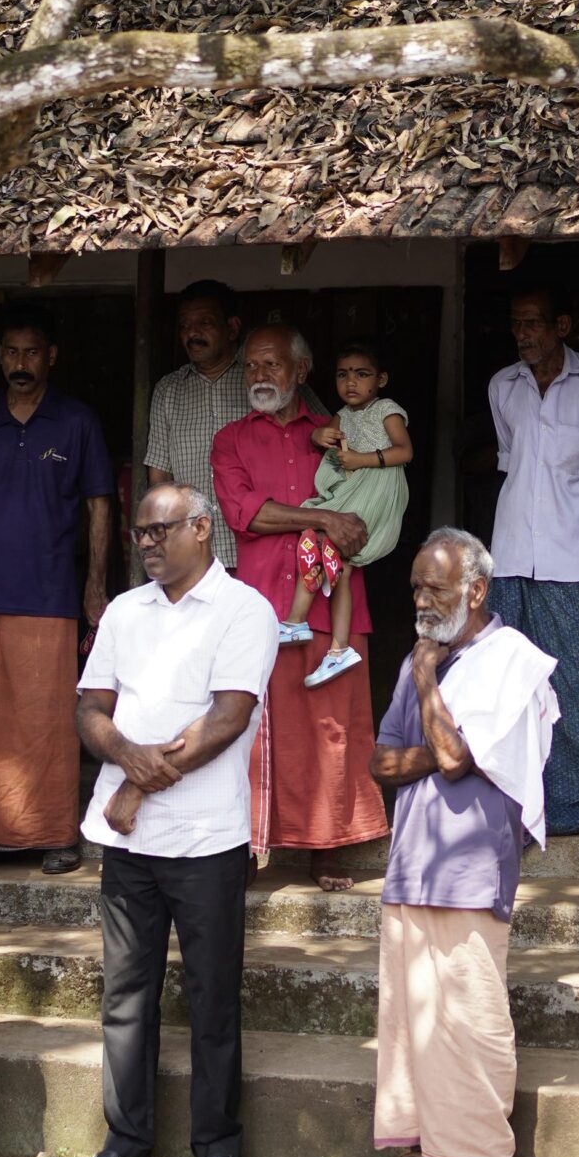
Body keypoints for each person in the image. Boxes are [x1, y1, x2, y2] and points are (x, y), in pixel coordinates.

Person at [68, 484, 278, 1157]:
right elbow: (90, 708)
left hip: (207, 835)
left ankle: (218, 1149)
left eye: (161, 530)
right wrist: (126, 759)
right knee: (125, 996)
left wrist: (135, 782)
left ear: (202, 528)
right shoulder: (125, 611)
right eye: (140, 532)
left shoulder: (244, 609)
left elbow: (227, 718)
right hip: (127, 840)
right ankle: (125, 1145)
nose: (148, 543)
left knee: (213, 996)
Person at [369, 529, 560, 1157]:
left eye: (436, 588)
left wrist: (428, 685)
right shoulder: (419, 658)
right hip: (411, 861)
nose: (421, 601)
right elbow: (382, 761)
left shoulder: (512, 659)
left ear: (476, 590)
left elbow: (452, 757)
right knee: (411, 1013)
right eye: (416, 588)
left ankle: (485, 1151)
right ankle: (432, 1141)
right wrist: (443, 742)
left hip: (472, 863)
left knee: (470, 1012)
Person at [210, 326, 389, 889]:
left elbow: (371, 497)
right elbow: (244, 513)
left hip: (332, 601)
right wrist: (323, 517)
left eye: (272, 365)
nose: (259, 376)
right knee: (253, 729)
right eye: (251, 366)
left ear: (301, 372)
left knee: (331, 728)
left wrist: (353, 522)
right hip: (262, 605)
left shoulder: (338, 434)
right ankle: (244, 844)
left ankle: (326, 846)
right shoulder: (231, 439)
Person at [0, 310, 114, 871]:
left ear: (51, 357)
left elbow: (99, 506)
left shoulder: (77, 421)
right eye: (11, 352)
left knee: (50, 719)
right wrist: (10, 541)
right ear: (0, 356)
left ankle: (56, 834)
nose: (20, 363)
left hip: (52, 590)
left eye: (31, 352)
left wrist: (95, 584)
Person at [485, 289, 579, 836]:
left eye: (533, 323)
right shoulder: (502, 386)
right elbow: (511, 463)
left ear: (562, 325)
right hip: (512, 556)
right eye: (516, 324)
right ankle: (524, 802)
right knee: (517, 683)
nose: (523, 334)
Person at [290, 339, 413, 687]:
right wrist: (318, 434)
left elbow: (405, 451)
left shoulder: (386, 409)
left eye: (361, 374)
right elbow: (322, 437)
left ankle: (296, 621)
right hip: (355, 490)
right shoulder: (343, 414)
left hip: (378, 488)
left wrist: (361, 459)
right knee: (337, 564)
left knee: (319, 534)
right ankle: (338, 648)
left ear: (381, 379)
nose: (351, 382)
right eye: (343, 375)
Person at [143, 279, 253, 569]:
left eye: (204, 323)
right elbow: (159, 478)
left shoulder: (260, 378)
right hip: (193, 556)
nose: (192, 333)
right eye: (185, 325)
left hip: (256, 552)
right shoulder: (169, 390)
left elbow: (316, 434)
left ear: (232, 328)